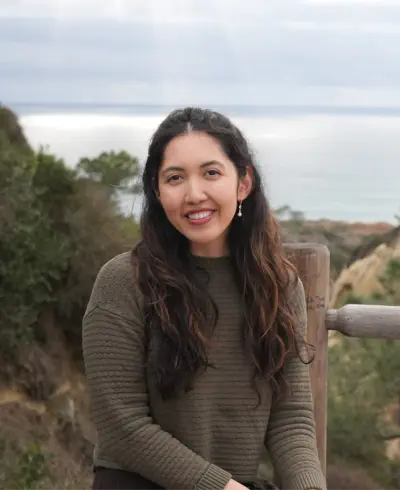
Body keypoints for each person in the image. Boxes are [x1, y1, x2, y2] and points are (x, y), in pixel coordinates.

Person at [82, 107, 327, 490]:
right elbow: (122, 426)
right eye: (175, 178)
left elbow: (291, 419)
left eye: (211, 173)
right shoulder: (124, 281)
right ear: (157, 191)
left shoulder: (279, 286)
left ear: (243, 183)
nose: (194, 194)